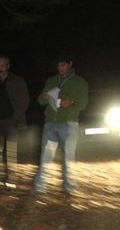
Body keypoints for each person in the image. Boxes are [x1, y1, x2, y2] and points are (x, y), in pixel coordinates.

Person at [32, 52, 88, 197]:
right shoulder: (51, 80)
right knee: (45, 155)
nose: (60, 68)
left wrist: (71, 102)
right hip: (50, 122)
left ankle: (69, 188)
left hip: (68, 124)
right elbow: (41, 101)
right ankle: (40, 187)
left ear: (69, 64)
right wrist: (44, 96)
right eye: (58, 65)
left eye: (62, 65)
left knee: (68, 156)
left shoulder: (79, 82)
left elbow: (83, 103)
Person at [0, 55, 30, 189]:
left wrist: (16, 117)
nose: (0, 69)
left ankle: (11, 179)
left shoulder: (18, 81)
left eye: (2, 66)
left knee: (11, 151)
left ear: (8, 66)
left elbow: (25, 100)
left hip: (10, 121)